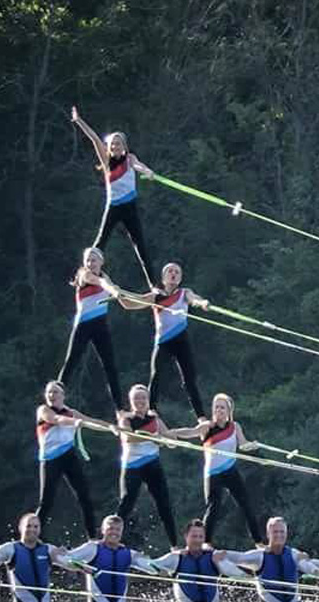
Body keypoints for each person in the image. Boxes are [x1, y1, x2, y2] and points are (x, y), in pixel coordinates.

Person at [71, 107, 157, 287]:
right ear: (109, 147)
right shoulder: (106, 161)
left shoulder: (129, 158)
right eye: (112, 144)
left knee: (140, 245)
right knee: (100, 242)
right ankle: (85, 277)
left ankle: (154, 285)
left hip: (130, 207)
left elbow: (139, 166)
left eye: (118, 144)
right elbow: (94, 138)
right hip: (114, 207)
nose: (115, 146)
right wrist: (79, 121)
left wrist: (147, 171)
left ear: (124, 146)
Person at [113, 262, 210, 419]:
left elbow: (194, 299)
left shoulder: (184, 293)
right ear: (163, 278)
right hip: (163, 341)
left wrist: (202, 303)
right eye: (170, 271)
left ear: (180, 278)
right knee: (156, 374)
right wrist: (118, 293)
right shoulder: (155, 296)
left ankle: (201, 417)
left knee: (189, 378)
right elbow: (130, 304)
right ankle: (151, 410)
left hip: (181, 340)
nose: (173, 274)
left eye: (177, 272)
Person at [170, 393, 263, 545]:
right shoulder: (207, 427)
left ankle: (258, 541)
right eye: (216, 407)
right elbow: (190, 432)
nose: (219, 410)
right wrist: (172, 433)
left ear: (229, 411)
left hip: (230, 471)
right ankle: (206, 543)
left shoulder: (235, 426)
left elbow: (243, 444)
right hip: (213, 474)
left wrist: (251, 445)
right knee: (213, 507)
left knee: (246, 505)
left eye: (222, 408)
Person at [35, 380, 109, 540]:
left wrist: (113, 428)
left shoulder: (72, 412)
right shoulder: (43, 410)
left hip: (69, 456)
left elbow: (92, 422)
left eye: (55, 392)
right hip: (50, 459)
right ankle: (35, 537)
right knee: (46, 500)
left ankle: (93, 538)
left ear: (63, 395)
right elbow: (57, 419)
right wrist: (75, 422)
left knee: (84, 496)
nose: (51, 395)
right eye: (49, 392)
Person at [57, 246, 125, 413]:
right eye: (87, 260)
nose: (90, 263)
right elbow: (102, 284)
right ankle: (56, 401)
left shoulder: (105, 276)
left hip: (100, 326)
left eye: (93, 260)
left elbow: (115, 291)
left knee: (110, 366)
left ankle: (120, 409)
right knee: (72, 361)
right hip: (83, 325)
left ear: (101, 262)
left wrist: (124, 294)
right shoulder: (84, 275)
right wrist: (113, 290)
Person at [115, 384, 179, 547]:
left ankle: (174, 545)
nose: (140, 401)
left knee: (164, 504)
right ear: (131, 401)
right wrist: (153, 438)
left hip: (152, 465)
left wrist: (170, 439)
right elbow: (128, 437)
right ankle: (109, 540)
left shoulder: (154, 418)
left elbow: (169, 436)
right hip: (132, 466)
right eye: (136, 398)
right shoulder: (126, 419)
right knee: (127, 502)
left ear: (148, 400)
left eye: (143, 398)